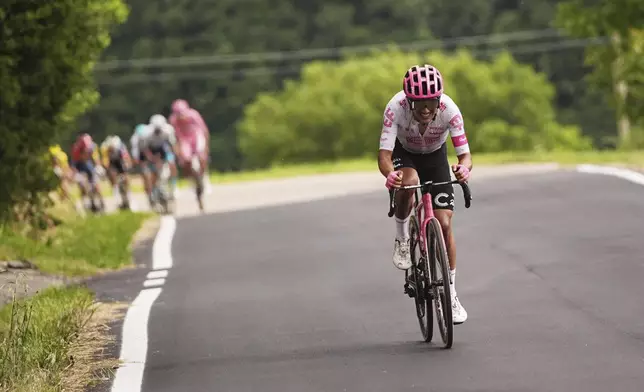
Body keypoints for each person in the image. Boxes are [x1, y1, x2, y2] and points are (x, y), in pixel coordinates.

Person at [378, 64, 472, 325]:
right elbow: (384, 155)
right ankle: (402, 238)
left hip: (435, 156)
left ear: (438, 99)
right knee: (409, 181)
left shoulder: (450, 111)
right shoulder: (394, 108)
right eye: (419, 103)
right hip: (404, 153)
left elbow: (464, 154)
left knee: (443, 223)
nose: (426, 108)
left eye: (431, 101)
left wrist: (463, 169)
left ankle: (451, 294)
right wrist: (389, 174)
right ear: (408, 101)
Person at [168, 99, 210, 204]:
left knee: (201, 157)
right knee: (186, 160)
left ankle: (204, 177)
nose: (181, 117)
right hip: (184, 139)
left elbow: (204, 130)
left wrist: (206, 146)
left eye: (182, 114)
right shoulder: (173, 120)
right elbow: (174, 137)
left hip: (196, 135)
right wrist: (177, 150)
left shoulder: (194, 115)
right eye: (178, 115)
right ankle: (191, 179)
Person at [143, 114, 178, 204]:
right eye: (156, 130)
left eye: (159, 129)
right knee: (153, 172)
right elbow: (145, 149)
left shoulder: (168, 130)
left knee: (171, 164)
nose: (158, 132)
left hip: (164, 149)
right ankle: (153, 191)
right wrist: (151, 158)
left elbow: (172, 145)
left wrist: (174, 157)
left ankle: (173, 187)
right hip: (152, 150)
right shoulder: (147, 133)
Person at [70, 133, 105, 211]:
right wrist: (75, 175)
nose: (87, 153)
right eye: (85, 152)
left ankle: (101, 202)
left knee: (95, 183)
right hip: (79, 166)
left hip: (88, 164)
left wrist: (98, 166)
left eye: (88, 151)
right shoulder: (76, 150)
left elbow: (96, 158)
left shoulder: (92, 147)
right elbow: (73, 165)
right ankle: (86, 203)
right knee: (82, 185)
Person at [100, 135, 132, 209]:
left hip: (120, 161)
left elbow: (126, 157)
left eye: (113, 148)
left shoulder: (120, 147)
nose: (112, 149)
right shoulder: (105, 148)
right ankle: (116, 196)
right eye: (110, 149)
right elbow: (105, 161)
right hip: (111, 163)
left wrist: (128, 164)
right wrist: (107, 169)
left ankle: (129, 196)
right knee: (112, 176)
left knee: (126, 177)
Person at [130, 123, 154, 205]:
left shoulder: (150, 134)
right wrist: (136, 160)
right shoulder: (135, 139)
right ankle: (149, 193)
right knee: (146, 174)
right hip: (141, 156)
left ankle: (155, 187)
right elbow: (135, 151)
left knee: (155, 172)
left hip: (151, 152)